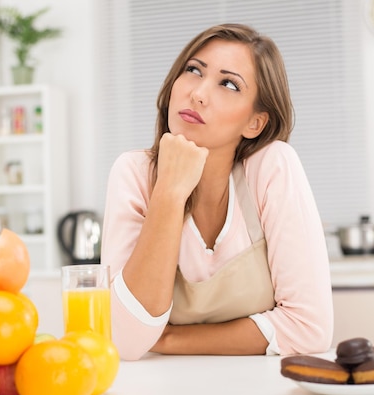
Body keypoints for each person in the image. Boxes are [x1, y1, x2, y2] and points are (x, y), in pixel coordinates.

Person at [100, 23, 333, 361]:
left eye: (228, 83)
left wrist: (167, 340)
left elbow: (310, 328)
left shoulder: (272, 168)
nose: (198, 93)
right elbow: (124, 339)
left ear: (254, 123)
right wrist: (168, 191)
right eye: (193, 70)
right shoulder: (134, 174)